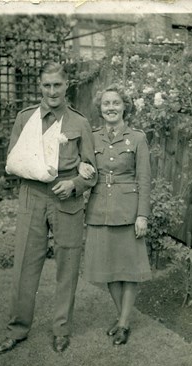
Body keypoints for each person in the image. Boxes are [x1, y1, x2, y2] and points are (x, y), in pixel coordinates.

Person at [0, 62, 97, 355]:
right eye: (46, 85)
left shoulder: (80, 123)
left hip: (67, 198)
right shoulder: (25, 118)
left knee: (67, 267)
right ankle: (17, 329)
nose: (52, 91)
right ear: (39, 86)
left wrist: (75, 184)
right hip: (32, 196)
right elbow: (13, 161)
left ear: (67, 85)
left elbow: (93, 172)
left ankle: (61, 330)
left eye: (57, 85)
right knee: (24, 265)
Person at [82, 84, 151, 345]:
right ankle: (123, 317)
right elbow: (84, 163)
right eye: (106, 104)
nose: (111, 108)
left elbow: (144, 179)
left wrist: (142, 215)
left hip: (127, 209)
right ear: (100, 109)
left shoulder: (137, 138)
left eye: (116, 103)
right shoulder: (93, 136)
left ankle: (123, 322)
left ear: (124, 107)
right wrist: (80, 165)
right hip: (100, 210)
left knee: (129, 269)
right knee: (109, 268)